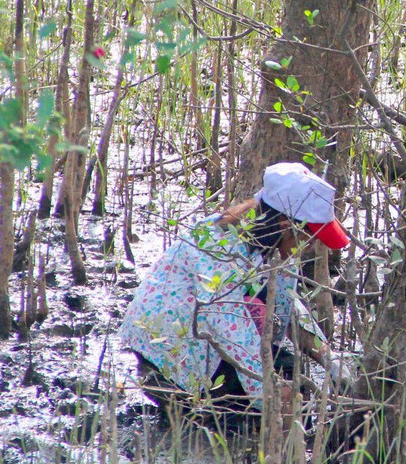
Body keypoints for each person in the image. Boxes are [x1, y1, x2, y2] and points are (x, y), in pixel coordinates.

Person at [119, 162, 351, 409]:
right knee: (252, 409)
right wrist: (270, 395)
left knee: (291, 376)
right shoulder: (217, 251)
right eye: (308, 238)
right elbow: (232, 331)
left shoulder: (275, 249)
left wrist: (329, 359)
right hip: (170, 363)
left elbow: (288, 306)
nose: (309, 248)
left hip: (218, 346)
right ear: (285, 226)